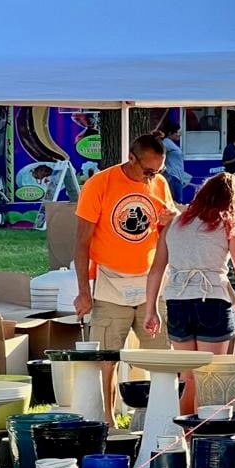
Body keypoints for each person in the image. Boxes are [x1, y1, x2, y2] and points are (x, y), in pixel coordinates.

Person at [73, 135, 177, 422]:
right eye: (148, 171)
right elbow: (81, 242)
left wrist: (171, 220)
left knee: (160, 359)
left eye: (158, 171)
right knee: (106, 360)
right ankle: (105, 420)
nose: (152, 177)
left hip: (150, 285)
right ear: (131, 158)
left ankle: (160, 420)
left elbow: (166, 229)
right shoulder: (100, 184)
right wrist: (83, 290)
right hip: (109, 282)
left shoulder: (160, 184)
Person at [143, 172, 235, 414]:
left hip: (177, 301)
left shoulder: (174, 223)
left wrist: (150, 310)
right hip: (212, 300)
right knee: (208, 379)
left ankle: (182, 437)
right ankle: (201, 440)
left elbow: (156, 271)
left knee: (189, 378)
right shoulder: (227, 223)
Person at [154, 119, 190, 203]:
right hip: (173, 176)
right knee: (176, 202)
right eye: (177, 132)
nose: (179, 134)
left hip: (177, 177)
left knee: (177, 202)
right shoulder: (166, 142)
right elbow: (160, 155)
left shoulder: (170, 143)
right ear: (170, 133)